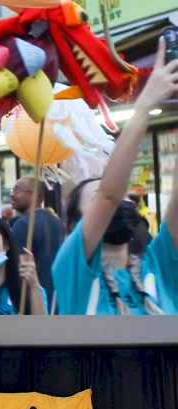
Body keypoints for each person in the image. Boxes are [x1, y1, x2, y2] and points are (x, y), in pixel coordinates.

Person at [52, 41, 178, 314]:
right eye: (96, 197)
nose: (118, 199)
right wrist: (143, 107)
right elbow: (110, 195)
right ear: (76, 223)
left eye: (125, 195)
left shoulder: (156, 265)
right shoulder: (72, 269)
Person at [8, 178, 64, 300]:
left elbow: (17, 267)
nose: (12, 194)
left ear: (34, 196)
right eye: (12, 190)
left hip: (34, 297)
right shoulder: (57, 222)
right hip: (56, 296)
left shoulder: (23, 224)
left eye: (17, 190)